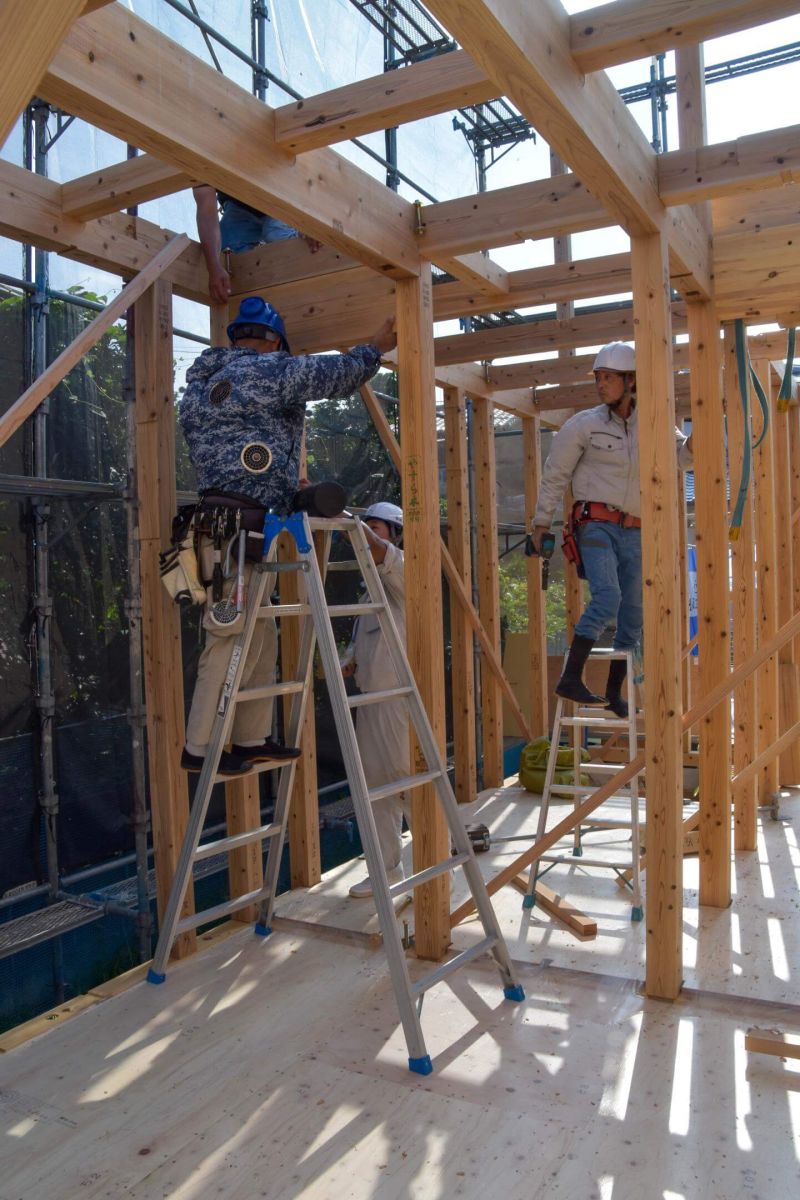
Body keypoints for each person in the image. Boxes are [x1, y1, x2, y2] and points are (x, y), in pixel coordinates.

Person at [179, 295, 396, 776]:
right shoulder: (270, 371)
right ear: (274, 340)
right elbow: (332, 376)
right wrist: (375, 348)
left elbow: (238, 446)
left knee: (258, 632)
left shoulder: (202, 386)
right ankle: (200, 748)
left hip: (230, 526)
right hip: (239, 529)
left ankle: (250, 739)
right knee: (228, 634)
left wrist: (282, 481)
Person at [528, 341, 693, 718]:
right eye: (598, 378)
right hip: (595, 524)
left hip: (635, 530)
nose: (601, 384)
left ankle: (612, 695)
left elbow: (682, 458)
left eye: (608, 378)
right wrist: (541, 522)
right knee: (608, 599)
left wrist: (699, 444)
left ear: (630, 381)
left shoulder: (653, 423)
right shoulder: (584, 425)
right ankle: (570, 678)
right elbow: (556, 475)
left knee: (633, 615)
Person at [340, 502, 410, 898]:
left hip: (399, 700)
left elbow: (381, 552)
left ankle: (438, 869)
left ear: (395, 532)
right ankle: (385, 872)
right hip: (370, 699)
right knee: (375, 790)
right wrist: (350, 661)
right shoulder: (369, 587)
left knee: (407, 783)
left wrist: (344, 517)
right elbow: (360, 641)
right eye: (366, 527)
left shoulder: (401, 572)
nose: (369, 534)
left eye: (377, 527)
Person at [193, 185, 320, 305]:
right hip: (238, 205)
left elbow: (304, 176)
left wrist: (307, 222)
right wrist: (214, 267)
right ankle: (251, 306)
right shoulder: (199, 164)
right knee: (227, 247)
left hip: (279, 197)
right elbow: (206, 211)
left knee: (275, 232)